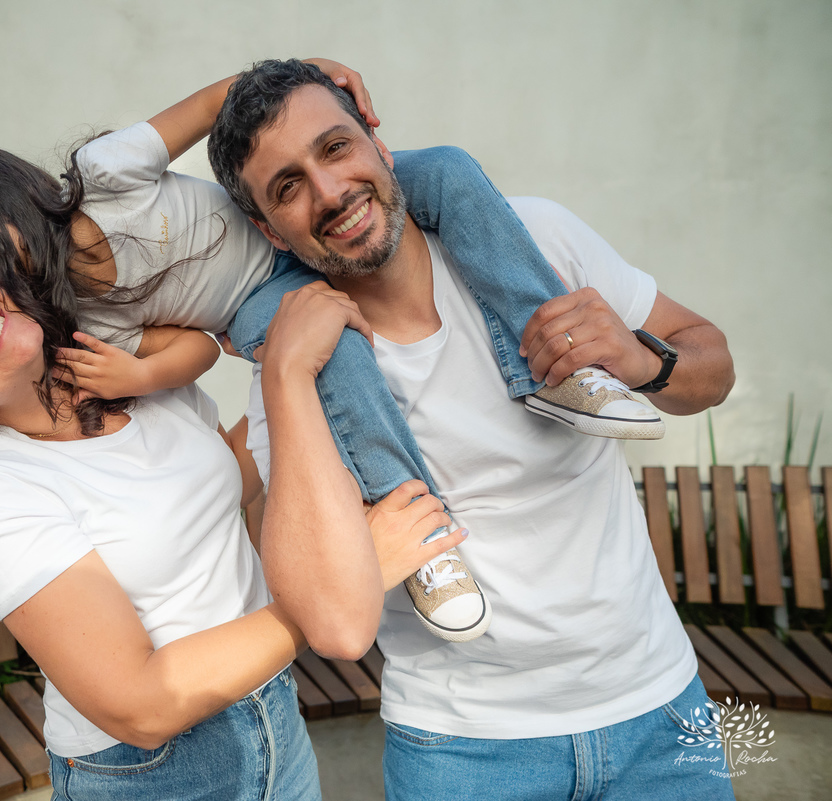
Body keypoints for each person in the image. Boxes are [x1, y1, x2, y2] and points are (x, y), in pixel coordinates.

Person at [0, 60, 661, 644]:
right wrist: (140, 373)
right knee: (342, 350)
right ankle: (420, 528)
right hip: (262, 292)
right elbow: (198, 346)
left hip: (293, 220)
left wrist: (313, 68)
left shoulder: (106, 172)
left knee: (454, 171)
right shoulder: (82, 315)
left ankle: (561, 368)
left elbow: (222, 102)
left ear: (5, 206)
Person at [207, 59, 737, 799]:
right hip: (463, 751)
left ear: (378, 145)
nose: (330, 193)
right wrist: (286, 377)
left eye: (335, 148)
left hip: (659, 713)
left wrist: (639, 357)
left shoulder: (538, 239)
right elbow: (324, 610)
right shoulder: (300, 366)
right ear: (270, 229)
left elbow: (712, 364)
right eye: (288, 187)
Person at [0, 264, 464, 800]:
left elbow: (223, 477)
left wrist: (285, 363)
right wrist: (347, 576)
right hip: (157, 775)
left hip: (272, 716)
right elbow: (140, 704)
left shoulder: (127, 374)